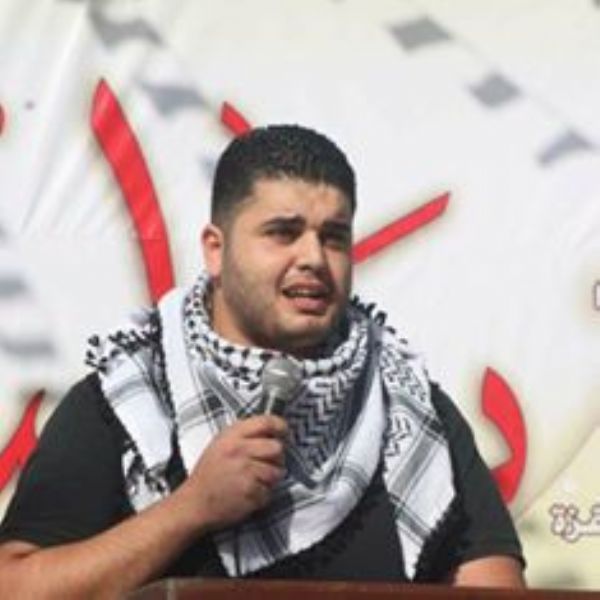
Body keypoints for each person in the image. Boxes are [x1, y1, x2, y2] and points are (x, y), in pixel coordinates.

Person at [0, 125, 525, 597]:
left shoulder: (409, 407)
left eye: (333, 237)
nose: (313, 259)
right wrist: (190, 508)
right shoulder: (131, 399)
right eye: (283, 233)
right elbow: (15, 586)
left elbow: (493, 582)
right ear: (215, 249)